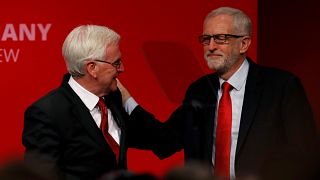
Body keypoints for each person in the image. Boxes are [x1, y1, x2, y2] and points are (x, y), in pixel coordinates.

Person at [119, 7, 317, 180]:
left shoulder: (281, 86)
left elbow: (303, 153)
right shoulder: (199, 90)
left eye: (221, 38)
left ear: (244, 44)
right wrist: (126, 100)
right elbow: (165, 141)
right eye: (206, 39)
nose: (211, 46)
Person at [22, 25, 133, 180]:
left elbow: (158, 139)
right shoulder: (47, 113)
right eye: (116, 63)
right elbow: (41, 176)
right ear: (92, 68)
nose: (122, 68)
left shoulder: (113, 100)